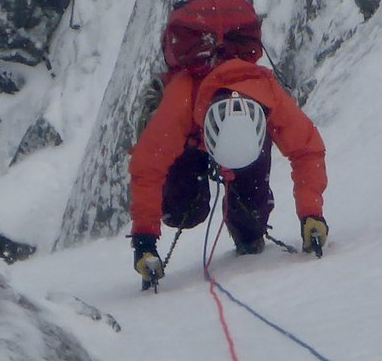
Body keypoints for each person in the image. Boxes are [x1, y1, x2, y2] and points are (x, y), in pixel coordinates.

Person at [128, 57, 328, 282]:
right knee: (181, 211)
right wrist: (145, 239)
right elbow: (147, 169)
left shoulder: (268, 96)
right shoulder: (180, 101)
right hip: (190, 136)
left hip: (231, 136)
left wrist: (311, 214)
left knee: (250, 227)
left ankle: (247, 229)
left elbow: (306, 150)